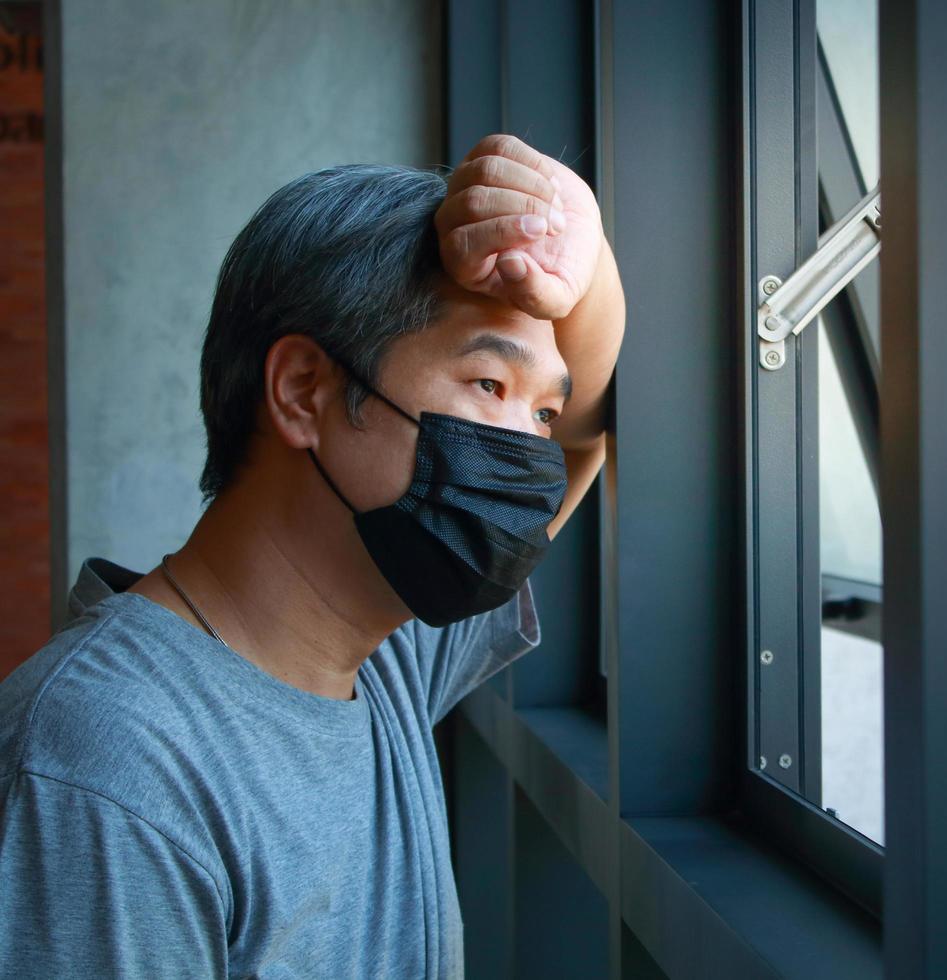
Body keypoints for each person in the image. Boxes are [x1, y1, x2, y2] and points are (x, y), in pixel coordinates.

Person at [0, 134, 624, 977]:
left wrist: (574, 238)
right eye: (489, 387)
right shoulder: (109, 766)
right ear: (303, 391)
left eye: (537, 416)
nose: (530, 458)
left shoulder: (381, 654)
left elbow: (586, 430)